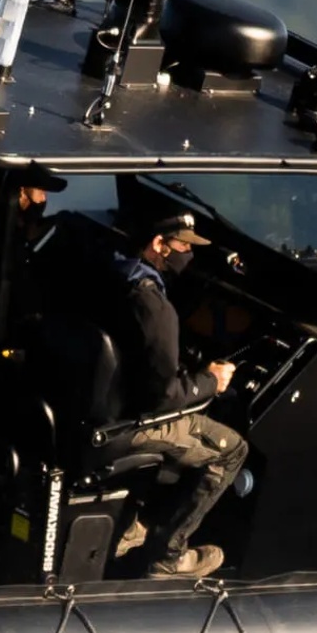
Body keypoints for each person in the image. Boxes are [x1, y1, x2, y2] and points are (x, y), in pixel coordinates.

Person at [89, 211, 247, 579]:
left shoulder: (105, 272)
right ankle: (168, 556)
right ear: (159, 244)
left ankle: (131, 529)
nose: (187, 256)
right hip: (129, 423)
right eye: (182, 246)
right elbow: (166, 398)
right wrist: (211, 381)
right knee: (232, 449)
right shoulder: (153, 305)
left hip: (93, 407)